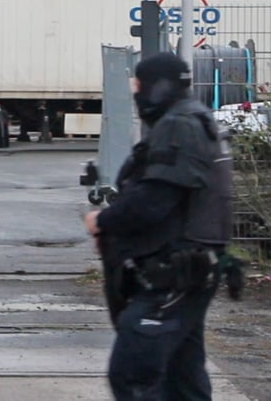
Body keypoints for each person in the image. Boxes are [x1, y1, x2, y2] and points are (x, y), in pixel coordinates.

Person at [84, 53, 232, 401]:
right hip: (185, 271)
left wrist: (102, 221)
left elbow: (155, 201)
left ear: (156, 87)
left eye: (139, 87)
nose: (136, 95)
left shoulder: (180, 126)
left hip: (173, 274)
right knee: (182, 376)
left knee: (134, 372)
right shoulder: (192, 120)